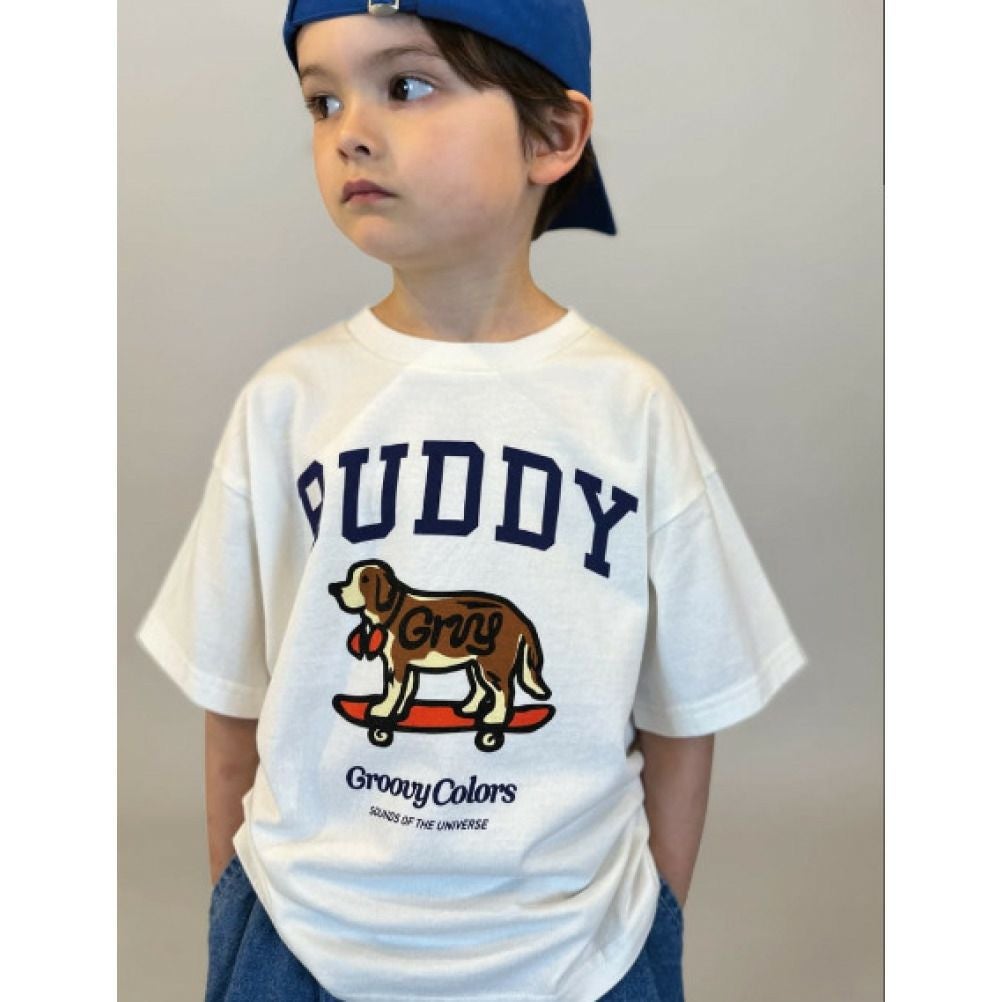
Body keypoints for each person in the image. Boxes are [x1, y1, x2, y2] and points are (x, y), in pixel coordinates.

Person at [134, 2, 810, 1000]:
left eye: (407, 86)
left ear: (553, 135)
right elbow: (233, 706)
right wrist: (243, 908)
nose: (350, 131)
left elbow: (684, 712)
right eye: (322, 101)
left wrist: (648, 922)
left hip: (575, 949)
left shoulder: (629, 413)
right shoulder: (286, 406)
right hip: (303, 934)